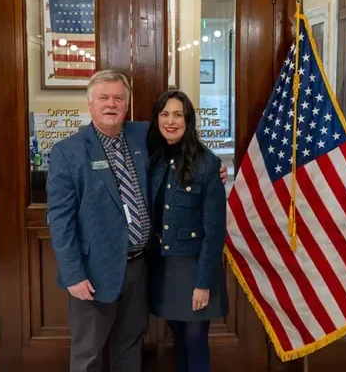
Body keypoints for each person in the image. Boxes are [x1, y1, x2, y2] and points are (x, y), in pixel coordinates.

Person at [46, 70, 227, 372]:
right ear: (89, 103)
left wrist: (214, 166)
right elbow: (59, 219)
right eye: (103, 97)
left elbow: (182, 141)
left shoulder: (141, 135)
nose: (111, 104)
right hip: (94, 272)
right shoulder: (68, 152)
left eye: (118, 98)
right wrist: (73, 274)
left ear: (127, 105)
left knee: (130, 346)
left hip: (140, 267)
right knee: (88, 352)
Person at [146, 90, 228, 372]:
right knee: (178, 339)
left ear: (188, 120)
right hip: (164, 267)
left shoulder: (207, 164)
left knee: (195, 340)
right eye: (164, 114)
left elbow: (214, 231)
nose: (170, 121)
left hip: (194, 268)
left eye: (178, 115)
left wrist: (203, 283)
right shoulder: (154, 159)